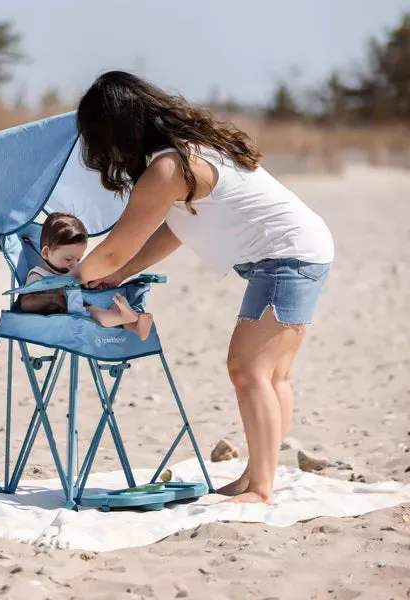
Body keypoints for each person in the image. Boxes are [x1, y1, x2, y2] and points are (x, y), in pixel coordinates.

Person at [70, 71, 334, 504]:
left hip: (288, 255)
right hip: (299, 249)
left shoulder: (169, 168)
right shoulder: (186, 153)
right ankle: (257, 477)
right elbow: (177, 230)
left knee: (247, 370)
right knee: (272, 374)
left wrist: (70, 278)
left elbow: (114, 250)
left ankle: (262, 488)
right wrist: (120, 274)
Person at [20, 212, 154, 340]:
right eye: (68, 259)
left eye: (78, 260)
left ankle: (135, 327)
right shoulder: (38, 275)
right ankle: (123, 317)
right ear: (45, 253)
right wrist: (56, 296)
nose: (74, 265)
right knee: (94, 312)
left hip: (80, 308)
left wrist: (86, 284)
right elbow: (27, 303)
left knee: (111, 304)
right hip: (71, 316)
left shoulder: (71, 272)